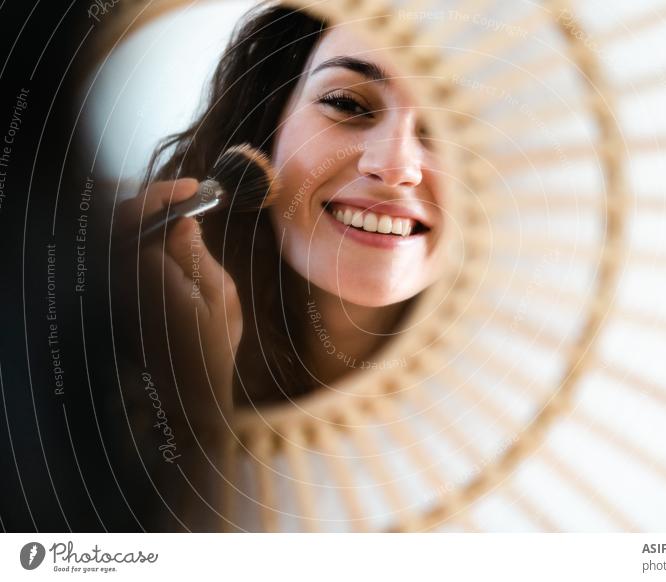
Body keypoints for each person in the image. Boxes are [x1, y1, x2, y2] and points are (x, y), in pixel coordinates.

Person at [113, 3, 447, 526]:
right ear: (268, 125)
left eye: (450, 130)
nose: (394, 164)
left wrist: (200, 425)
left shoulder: (510, 448)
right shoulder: (100, 348)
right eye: (346, 103)